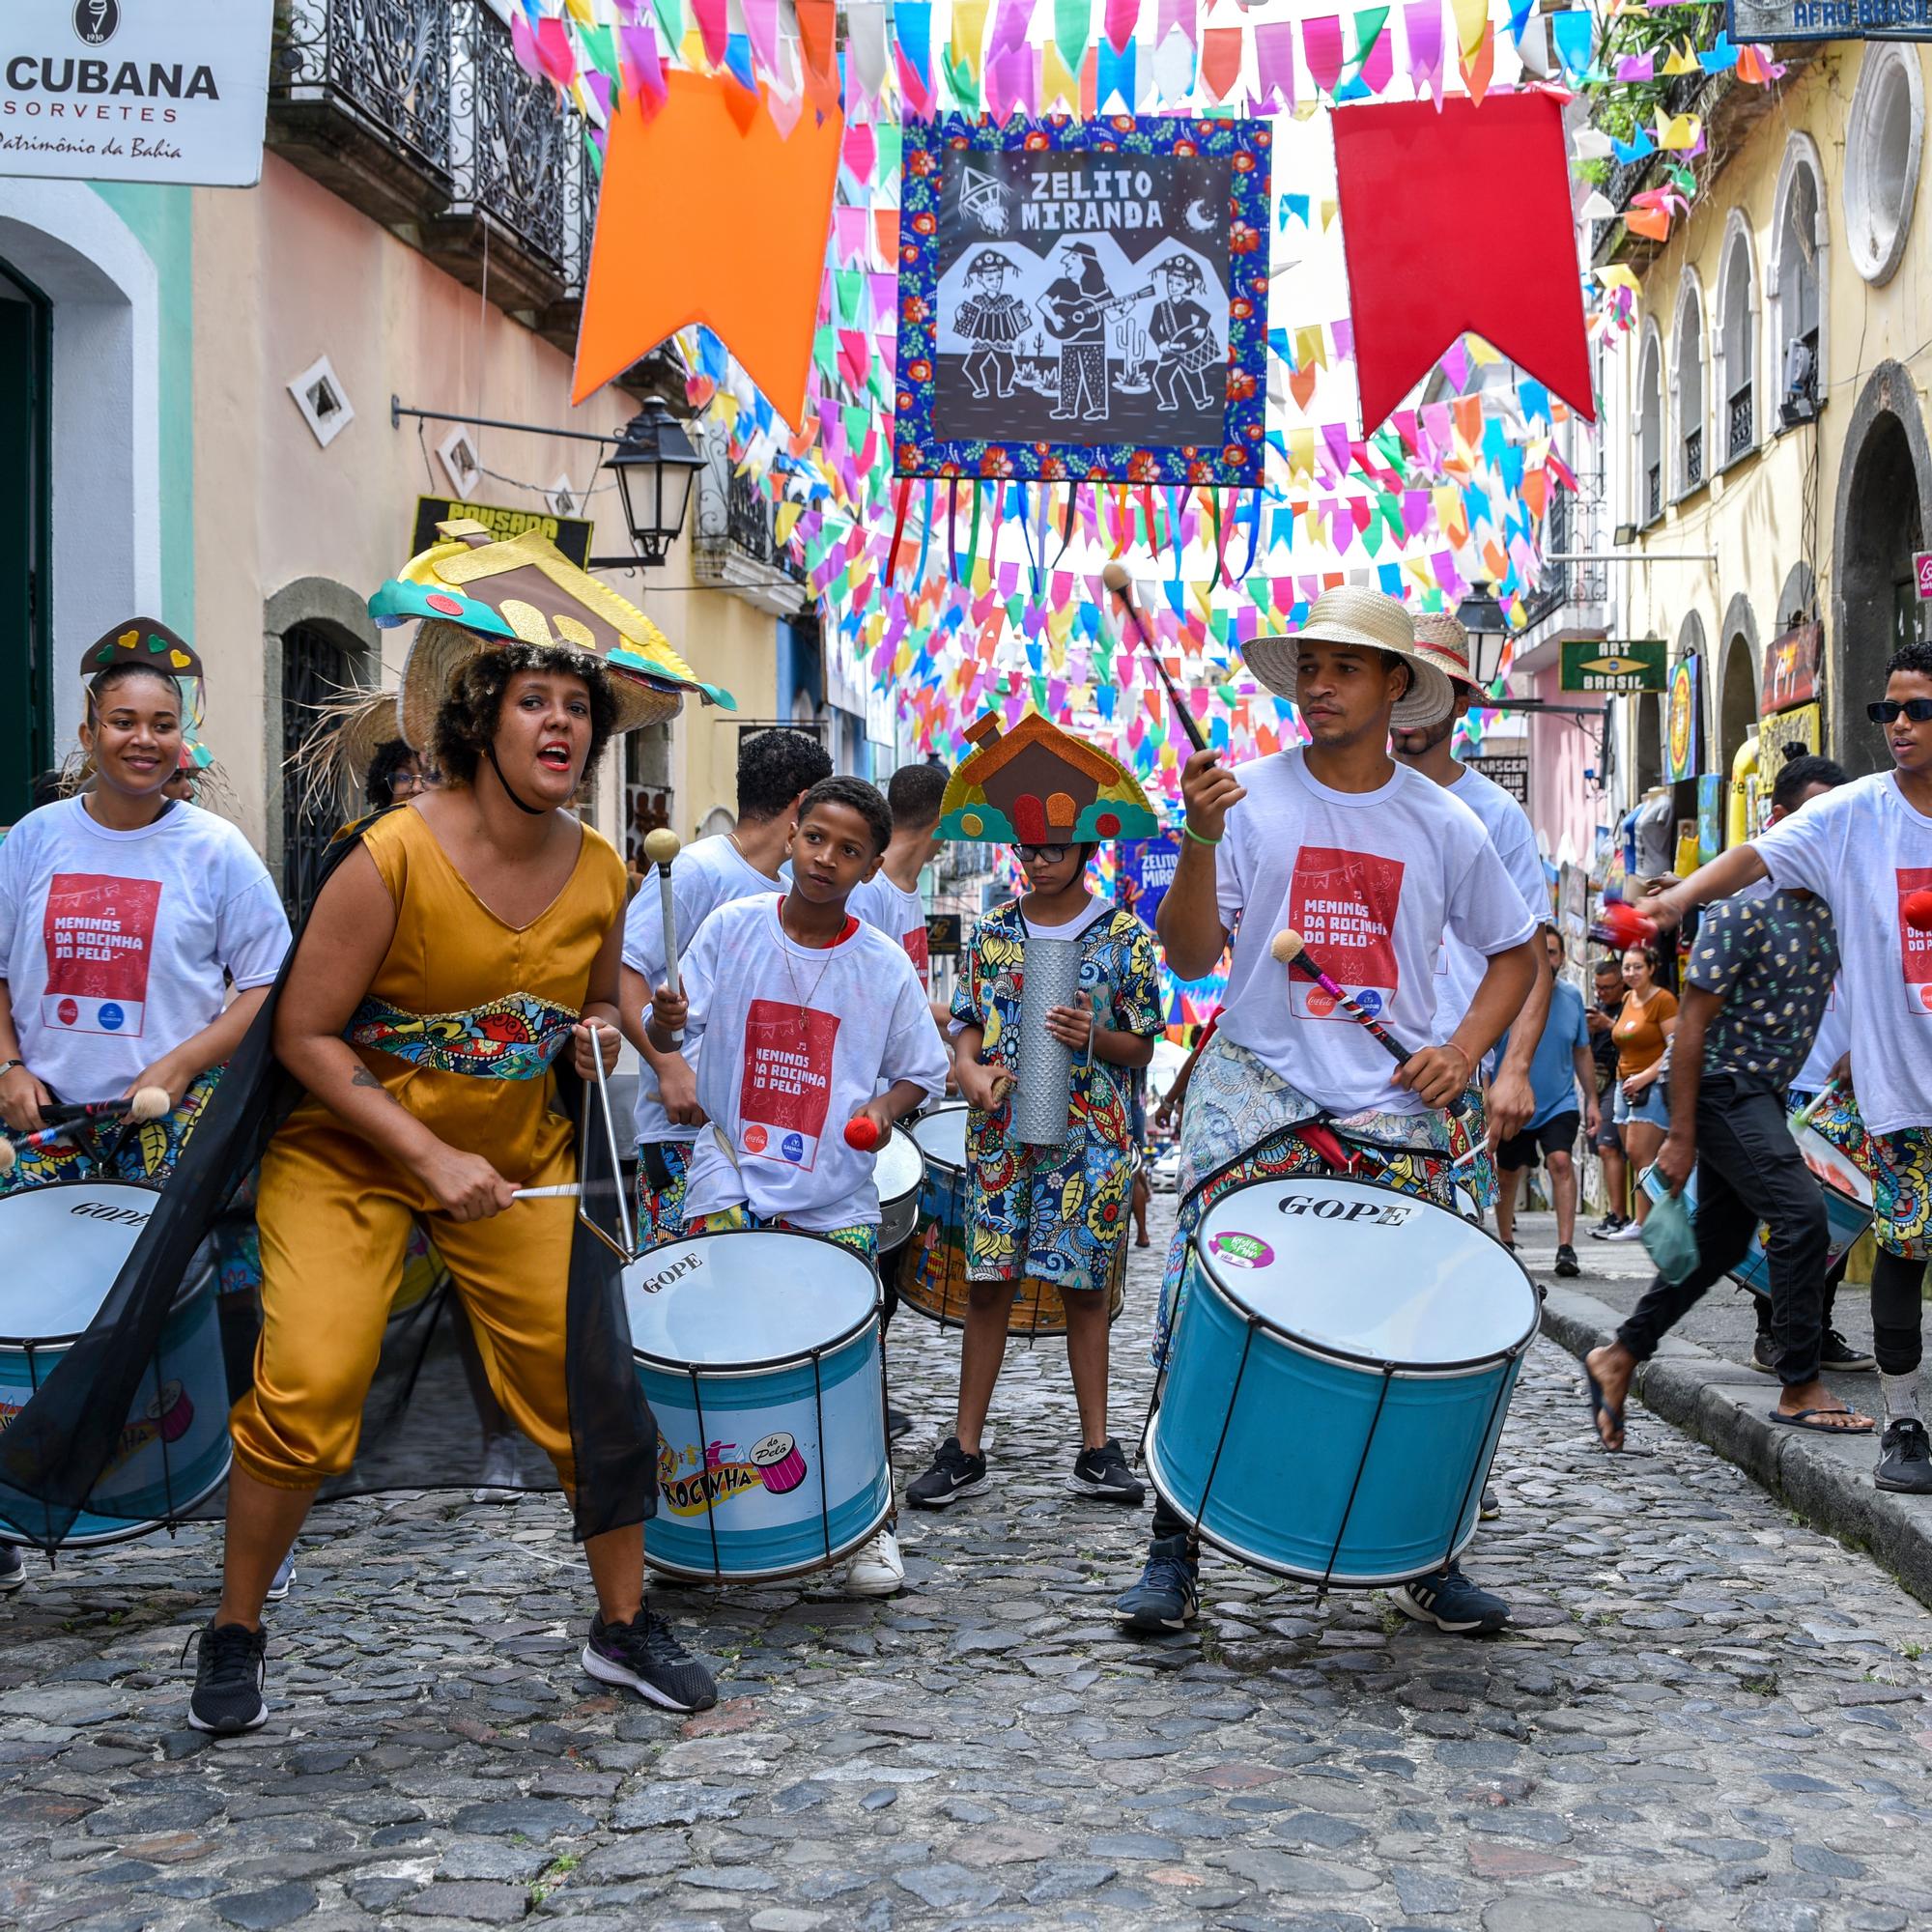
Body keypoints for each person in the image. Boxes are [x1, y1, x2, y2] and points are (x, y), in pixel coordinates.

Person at [178, 526, 726, 1734]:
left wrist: (611, 1029)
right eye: (535, 697)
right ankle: (234, 1626)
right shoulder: (387, 858)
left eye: (579, 706)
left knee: (594, 1385)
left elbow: (586, 1003)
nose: (562, 723)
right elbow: (304, 1036)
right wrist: (423, 1153)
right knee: (308, 1386)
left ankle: (623, 1624)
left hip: (517, 1163)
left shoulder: (600, 872)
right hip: (353, 1157)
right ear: (484, 718)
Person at [1114, 587, 1538, 1637]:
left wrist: (1464, 1052)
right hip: (1258, 1082)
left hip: (1392, 1098)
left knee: (1433, 1317)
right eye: (1308, 665)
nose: (1318, 685)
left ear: (1398, 687)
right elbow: (1185, 957)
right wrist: (1200, 837)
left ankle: (1428, 1547)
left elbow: (1516, 952)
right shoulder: (1244, 795)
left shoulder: (1445, 820)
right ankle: (1173, 1544)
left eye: (1343, 668)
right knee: (1199, 1300)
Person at [0, 622, 290, 1598]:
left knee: (199, 1313)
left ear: (185, 738)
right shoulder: (34, 839)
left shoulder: (215, 852)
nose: (142, 738)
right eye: (123, 719)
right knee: (28, 1313)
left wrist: (180, 1056)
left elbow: (265, 982)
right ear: (87, 729)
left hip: (172, 1126)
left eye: (162, 723)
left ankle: (236, 1522)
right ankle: (15, 1504)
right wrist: (7, 1063)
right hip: (43, 1123)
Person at [647, 776, 950, 1596]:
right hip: (727, 1173)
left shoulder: (882, 966)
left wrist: (884, 1111)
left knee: (840, 1363)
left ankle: (866, 1527)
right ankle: (698, 1517)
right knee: (710, 1348)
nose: (826, 858)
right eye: (815, 838)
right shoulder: (732, 928)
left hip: (834, 1194)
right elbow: (671, 1025)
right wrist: (667, 1030)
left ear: (871, 865)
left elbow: (921, 1070)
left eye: (849, 849)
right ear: (791, 837)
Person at [1642, 642, 1932, 1492]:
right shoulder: (1856, 814)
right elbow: (1758, 857)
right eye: (1888, 712)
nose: (1900, 727)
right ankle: (1906, 1429)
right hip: (1903, 1089)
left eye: (1918, 710)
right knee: (1906, 1253)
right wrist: (1679, 897)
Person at [908, 712, 1165, 1510]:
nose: (1035, 860)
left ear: (1087, 849)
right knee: (987, 1284)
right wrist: (968, 1070)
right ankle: (964, 1446)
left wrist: (1099, 1036)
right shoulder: (991, 935)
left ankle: (1096, 1448)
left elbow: (1144, 1048)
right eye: (1024, 848)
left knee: (1086, 1289)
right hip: (1001, 1138)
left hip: (1091, 1142)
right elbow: (967, 1029)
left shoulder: (1127, 938)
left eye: (1052, 848)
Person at [1583, 759, 1872, 1447]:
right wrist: (1681, 1135)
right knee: (1801, 1218)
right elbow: (1690, 1033)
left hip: (1760, 1093)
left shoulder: (1835, 914)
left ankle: (1620, 1354)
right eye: (1811, 821)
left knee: (1716, 1245)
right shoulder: (1740, 914)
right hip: (1719, 1090)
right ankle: (1800, 1382)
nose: (1827, 836)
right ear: (1779, 827)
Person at [618, 728, 832, 1250]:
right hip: (682, 1138)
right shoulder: (696, 869)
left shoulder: (786, 893)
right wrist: (670, 1068)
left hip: (757, 1143)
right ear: (802, 805)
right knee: (678, 1303)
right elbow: (624, 975)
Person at [1396, 612, 1554, 1172]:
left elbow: (1533, 954)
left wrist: (1514, 1067)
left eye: (1432, 690)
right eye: (1404, 683)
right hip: (1351, 1055)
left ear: (1462, 703)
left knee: (1451, 1238)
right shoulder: (1345, 795)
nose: (1412, 705)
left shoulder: (1495, 814)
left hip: (1451, 1062)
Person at [1741, 753, 1874, 1378]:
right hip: (1774, 1080)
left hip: (1846, 1082)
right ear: (1780, 819)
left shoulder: (1853, 882)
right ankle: (1777, 1332)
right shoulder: (1748, 890)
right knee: (1788, 1216)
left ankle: (1815, 1329)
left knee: (1840, 1212)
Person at [848, 758, 951, 1439]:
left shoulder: (908, 892)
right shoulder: (874, 893)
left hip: (900, 1107)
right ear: (941, 819)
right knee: (867, 1268)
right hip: (869, 1111)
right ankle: (854, 1404)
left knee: (887, 1266)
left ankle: (866, 1398)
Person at [1492, 928, 1599, 1274]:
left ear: (1562, 958)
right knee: (1507, 1174)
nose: (1548, 959)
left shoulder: (1571, 999)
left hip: (1559, 1102)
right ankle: (1506, 1244)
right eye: (1543, 952)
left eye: (1553, 953)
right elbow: (1490, 1052)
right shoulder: (1509, 996)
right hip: (1513, 1102)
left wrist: (1592, 1101)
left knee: (1561, 1162)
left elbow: (1582, 1052)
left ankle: (1566, 1248)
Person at [1599, 944, 1676, 1240]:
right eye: (1627, 968)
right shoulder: (1629, 998)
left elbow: (1675, 1047)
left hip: (1651, 1085)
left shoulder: (1664, 1000)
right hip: (1624, 1083)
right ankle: (1643, 1220)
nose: (1631, 973)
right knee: (1633, 1154)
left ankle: (1645, 1223)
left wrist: (1644, 1077)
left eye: (1637, 967)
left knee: (1641, 1153)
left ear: (1652, 968)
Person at [1586, 954, 1632, 1236]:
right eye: (1598, 987)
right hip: (1597, 1082)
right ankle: (1614, 1212)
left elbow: (1640, 1037)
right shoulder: (1599, 1009)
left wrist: (1608, 1025)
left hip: (1622, 1080)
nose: (1602, 993)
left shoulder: (1629, 1006)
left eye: (1607, 987)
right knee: (1602, 1149)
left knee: (1609, 1146)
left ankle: (1619, 1214)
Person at [954, 249, 1029, 402]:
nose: (996, 282)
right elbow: (965, 314)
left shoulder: (1007, 299)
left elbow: (1018, 314)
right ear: (981, 280)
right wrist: (958, 313)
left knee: (1009, 366)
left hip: (1002, 340)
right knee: (970, 366)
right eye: (990, 279)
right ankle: (981, 388)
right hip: (983, 340)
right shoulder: (978, 299)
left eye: (999, 278)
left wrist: (1025, 312)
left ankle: (1004, 389)